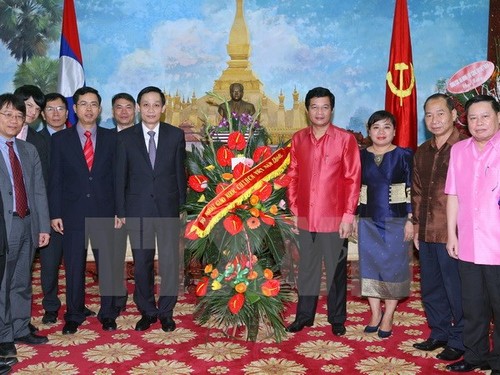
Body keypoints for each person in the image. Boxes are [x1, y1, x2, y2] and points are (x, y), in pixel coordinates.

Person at [286, 87, 361, 336]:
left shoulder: (345, 139)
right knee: (306, 269)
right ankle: (304, 316)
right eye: (315, 107)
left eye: (325, 107)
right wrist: (295, 211)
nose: (320, 112)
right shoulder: (298, 139)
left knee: (336, 271)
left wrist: (348, 216)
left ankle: (337, 318)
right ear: (306, 110)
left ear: (332, 109)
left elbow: (352, 179)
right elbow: (293, 176)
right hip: (306, 217)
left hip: (334, 218)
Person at [49, 87, 121, 334]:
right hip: (72, 213)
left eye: (93, 104)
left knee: (108, 266)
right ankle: (74, 313)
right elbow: (55, 179)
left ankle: (109, 313)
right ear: (75, 108)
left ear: (100, 110)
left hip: (106, 211)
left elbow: (118, 178)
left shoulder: (113, 139)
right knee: (73, 266)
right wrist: (55, 213)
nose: (88, 109)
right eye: (83, 104)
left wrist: (119, 211)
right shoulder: (59, 140)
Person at [115, 86, 186, 332]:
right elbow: (120, 177)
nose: (151, 109)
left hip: (167, 209)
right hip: (138, 209)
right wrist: (121, 210)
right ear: (138, 108)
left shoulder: (175, 135)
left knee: (169, 262)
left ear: (163, 108)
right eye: (146, 104)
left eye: (156, 105)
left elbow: (180, 174)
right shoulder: (124, 138)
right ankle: (146, 311)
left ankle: (166, 311)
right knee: (142, 261)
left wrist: (181, 207)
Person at [445, 95, 500, 374]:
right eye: (473, 118)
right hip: (468, 242)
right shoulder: (459, 150)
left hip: (497, 244)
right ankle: (475, 354)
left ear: (498, 117)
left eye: (485, 116)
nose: (479, 123)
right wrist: (451, 234)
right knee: (473, 305)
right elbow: (452, 194)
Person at [411, 94, 466, 359]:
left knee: (456, 289)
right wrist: (417, 227)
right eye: (429, 115)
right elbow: (418, 193)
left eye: (440, 113)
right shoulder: (422, 151)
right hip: (427, 232)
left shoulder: (466, 147)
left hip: (455, 234)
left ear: (454, 116)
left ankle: (460, 339)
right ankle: (439, 332)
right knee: (431, 287)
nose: (435, 120)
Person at [0, 93, 50, 358]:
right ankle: (3, 334)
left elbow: (38, 190)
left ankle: (20, 327)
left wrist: (43, 226)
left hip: (28, 222)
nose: (14, 120)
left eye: (19, 116)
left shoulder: (28, 150)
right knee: (2, 283)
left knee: (21, 281)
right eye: (7, 114)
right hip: (3, 227)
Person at [355, 110, 413, 339]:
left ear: (395, 131)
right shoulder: (360, 156)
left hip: (396, 220)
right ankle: (375, 313)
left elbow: (411, 189)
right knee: (369, 267)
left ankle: (388, 315)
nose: (381, 132)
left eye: (387, 127)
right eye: (376, 127)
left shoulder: (403, 155)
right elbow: (352, 188)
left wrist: (410, 220)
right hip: (368, 219)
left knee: (393, 268)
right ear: (369, 131)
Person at [13, 85, 49, 186]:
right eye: (29, 105)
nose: (33, 112)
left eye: (38, 109)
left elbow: (42, 180)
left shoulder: (39, 141)